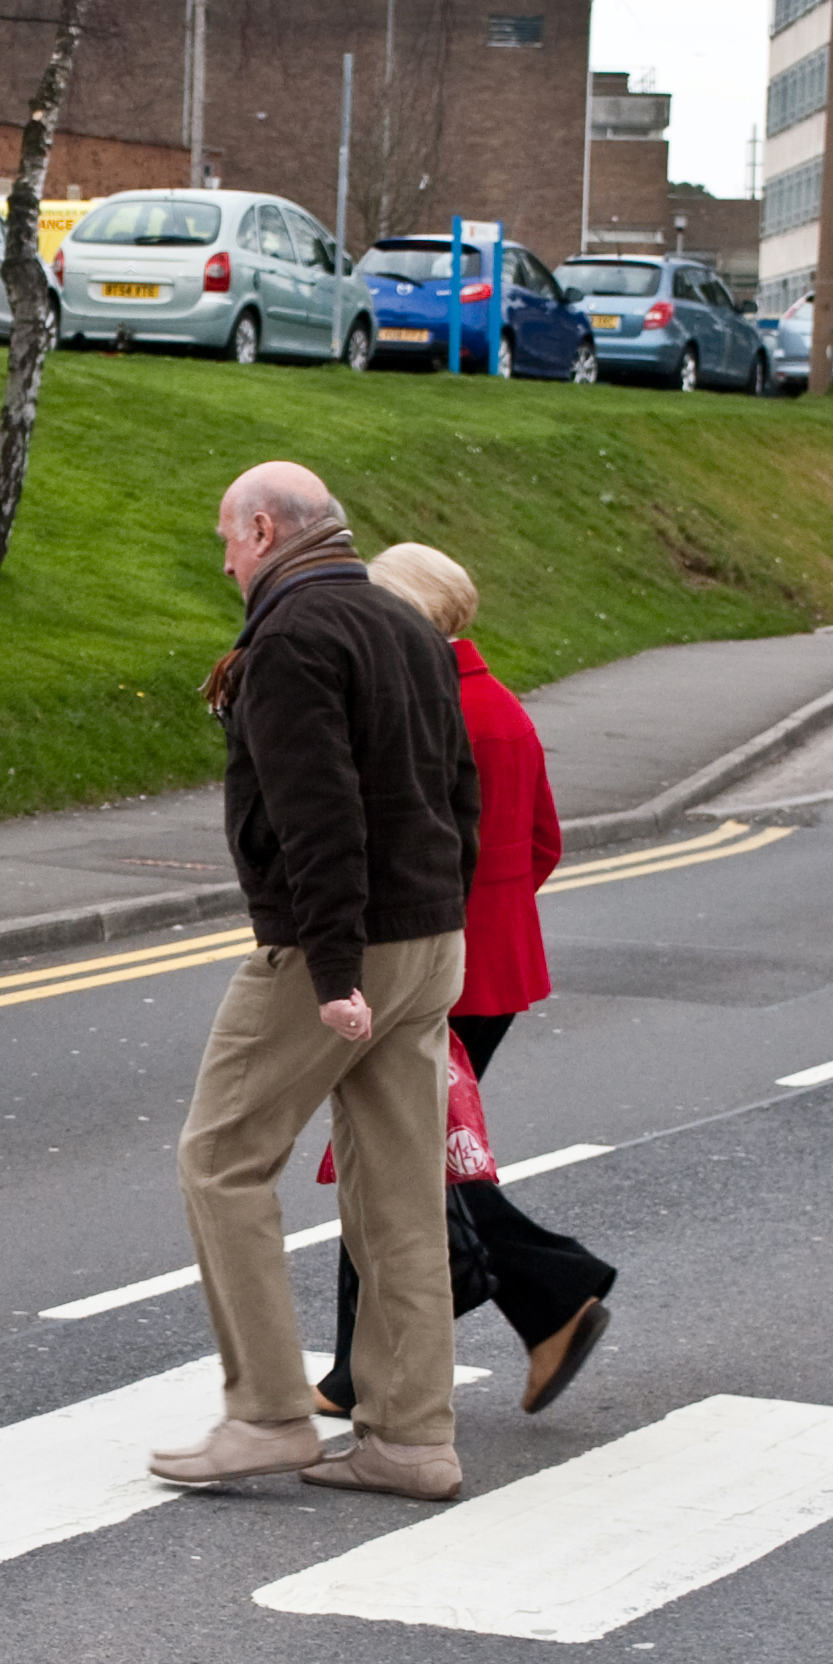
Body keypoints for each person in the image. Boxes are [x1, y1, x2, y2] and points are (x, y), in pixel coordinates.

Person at [147, 463, 484, 1502]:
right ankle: (412, 1439)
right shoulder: (405, 628)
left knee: (220, 1158)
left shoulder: (292, 639)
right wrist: (436, 923)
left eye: (227, 541)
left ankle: (264, 1415)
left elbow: (318, 817)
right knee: (397, 1197)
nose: (224, 562)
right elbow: (455, 790)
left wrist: (333, 968)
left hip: (335, 949)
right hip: (429, 936)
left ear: (264, 529)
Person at [310, 542, 615, 1420]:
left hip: (434, 971)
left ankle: (550, 1293)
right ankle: (533, 1305)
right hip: (498, 967)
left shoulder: (426, 708)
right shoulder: (504, 707)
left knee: (393, 1159)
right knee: (417, 1155)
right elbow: (544, 842)